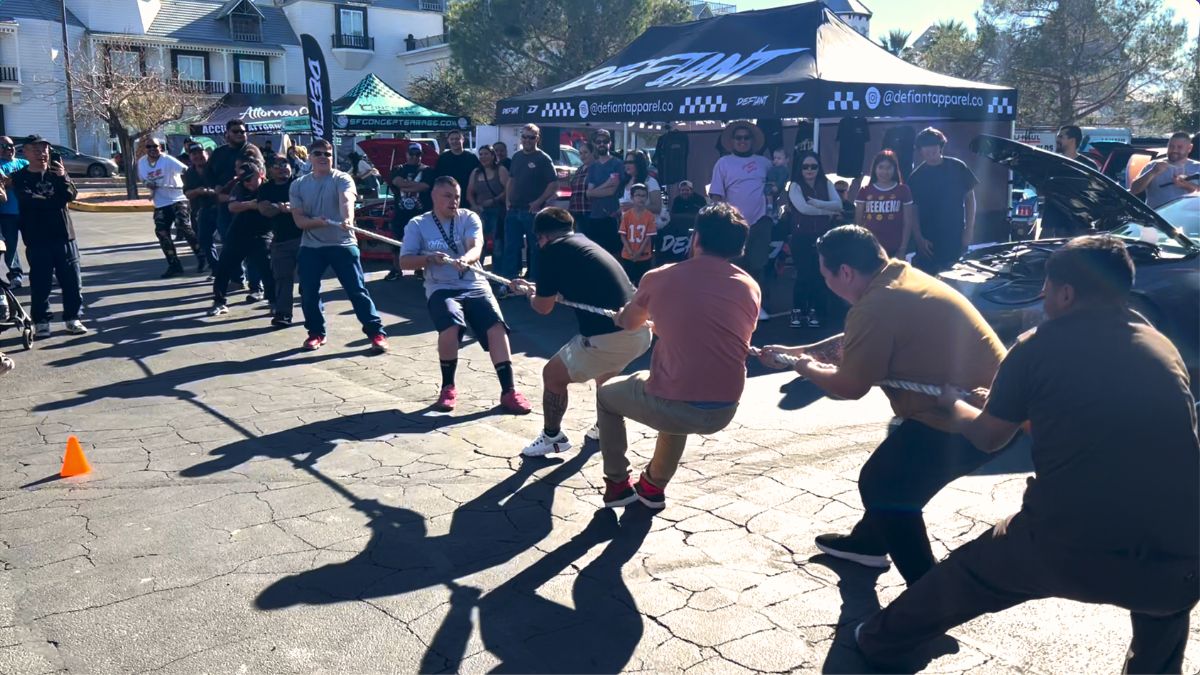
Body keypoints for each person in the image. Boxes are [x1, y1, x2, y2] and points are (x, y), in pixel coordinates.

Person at [855, 236, 1199, 674]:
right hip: (1180, 550)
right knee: (1166, 611)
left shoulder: (1037, 345)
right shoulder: (1161, 347)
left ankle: (876, 638)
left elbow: (988, 437)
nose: (1044, 297)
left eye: (1048, 287)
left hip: (1065, 538)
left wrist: (953, 403)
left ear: (1067, 293)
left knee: (969, 575)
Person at [759, 225, 1005, 586]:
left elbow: (850, 386)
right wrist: (795, 352)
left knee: (882, 483)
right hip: (991, 410)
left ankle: (931, 595)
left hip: (972, 416)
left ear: (845, 272)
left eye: (825, 274)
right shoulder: (898, 279)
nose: (826, 281)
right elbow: (854, 340)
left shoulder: (877, 306)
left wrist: (803, 366)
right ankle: (869, 543)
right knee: (899, 482)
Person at [598, 203, 761, 510]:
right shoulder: (750, 286)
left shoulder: (660, 276)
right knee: (674, 388)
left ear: (696, 238)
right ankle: (652, 487)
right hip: (725, 407)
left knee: (607, 397)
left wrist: (622, 315)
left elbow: (631, 324)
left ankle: (618, 483)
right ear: (739, 245)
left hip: (677, 403)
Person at [508, 207, 651, 455]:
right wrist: (537, 287)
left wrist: (530, 294)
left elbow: (543, 307)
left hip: (611, 337)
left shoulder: (552, 251)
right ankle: (603, 426)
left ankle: (553, 437)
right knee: (605, 378)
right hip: (639, 332)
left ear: (542, 237)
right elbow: (573, 287)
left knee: (552, 375)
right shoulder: (582, 243)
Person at [398, 176, 532, 414]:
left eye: (457, 196)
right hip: (441, 287)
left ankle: (509, 391)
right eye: (447, 196)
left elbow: (476, 246)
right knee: (451, 327)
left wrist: (466, 259)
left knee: (497, 328)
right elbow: (405, 262)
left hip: (474, 285)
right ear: (434, 197)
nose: (454, 201)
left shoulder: (469, 217)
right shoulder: (417, 225)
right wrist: (428, 258)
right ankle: (448, 387)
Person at [289, 138, 389, 353]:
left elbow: (346, 200)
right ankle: (316, 333)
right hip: (311, 247)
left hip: (343, 243)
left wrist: (347, 219)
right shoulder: (298, 184)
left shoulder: (342, 178)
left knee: (357, 291)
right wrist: (319, 221)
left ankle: (376, 333)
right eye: (318, 153)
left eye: (328, 154)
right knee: (308, 292)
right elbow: (299, 221)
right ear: (310, 157)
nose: (324, 157)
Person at [12, 135, 86, 337]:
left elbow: (70, 195)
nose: (41, 153)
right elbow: (30, 202)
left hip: (64, 236)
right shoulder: (20, 178)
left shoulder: (58, 173)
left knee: (71, 281)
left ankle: (73, 318)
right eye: (35, 149)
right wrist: (55, 199)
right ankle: (41, 321)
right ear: (25, 152)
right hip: (37, 238)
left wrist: (62, 177)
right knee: (40, 282)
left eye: (44, 149)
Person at [709, 120, 772, 321]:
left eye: (746, 137)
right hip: (734, 222)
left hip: (761, 220)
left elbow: (776, 187)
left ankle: (756, 305)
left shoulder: (765, 163)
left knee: (758, 264)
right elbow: (716, 195)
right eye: (739, 138)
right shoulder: (723, 163)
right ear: (732, 141)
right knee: (735, 265)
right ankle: (734, 306)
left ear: (752, 140)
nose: (742, 141)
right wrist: (721, 220)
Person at [207, 158, 276, 318]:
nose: (247, 184)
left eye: (249, 179)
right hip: (238, 233)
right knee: (224, 268)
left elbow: (270, 207)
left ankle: (273, 301)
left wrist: (254, 205)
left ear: (260, 174)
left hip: (261, 234)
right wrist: (252, 204)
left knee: (267, 269)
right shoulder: (239, 187)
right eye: (244, 181)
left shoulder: (269, 188)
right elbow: (232, 206)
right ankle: (219, 301)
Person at [907, 127, 977, 274]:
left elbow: (970, 198)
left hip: (955, 236)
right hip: (929, 241)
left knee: (957, 279)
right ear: (920, 151)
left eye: (934, 148)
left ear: (941, 147)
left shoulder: (958, 167)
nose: (931, 153)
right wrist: (919, 238)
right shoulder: (916, 177)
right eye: (926, 149)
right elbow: (913, 210)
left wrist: (969, 231)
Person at [205, 120, 262, 295]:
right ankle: (237, 279)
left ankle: (256, 286)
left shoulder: (252, 151)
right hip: (224, 206)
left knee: (253, 246)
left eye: (243, 131)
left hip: (247, 206)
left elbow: (259, 174)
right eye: (236, 131)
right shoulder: (219, 152)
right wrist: (215, 188)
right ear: (227, 133)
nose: (240, 134)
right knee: (229, 244)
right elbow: (209, 174)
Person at [786, 150, 841, 329]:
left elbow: (839, 204)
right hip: (801, 237)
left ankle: (815, 311)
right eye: (805, 166)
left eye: (814, 166)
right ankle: (797, 310)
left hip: (823, 236)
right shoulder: (794, 186)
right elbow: (803, 209)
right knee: (803, 274)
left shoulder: (827, 183)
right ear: (800, 168)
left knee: (819, 275)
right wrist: (828, 210)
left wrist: (817, 203)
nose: (809, 170)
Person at [501, 124, 557, 282]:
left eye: (531, 137)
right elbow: (511, 180)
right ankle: (509, 282)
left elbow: (554, 184)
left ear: (537, 139)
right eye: (524, 136)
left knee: (535, 247)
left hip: (531, 211)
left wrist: (538, 202)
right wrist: (507, 201)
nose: (527, 140)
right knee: (511, 247)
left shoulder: (543, 158)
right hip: (513, 209)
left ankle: (534, 282)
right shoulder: (517, 156)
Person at [139, 136, 198, 278]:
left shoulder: (167, 160)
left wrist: (191, 186)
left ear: (161, 147)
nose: (152, 149)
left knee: (182, 225)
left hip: (178, 198)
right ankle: (174, 264)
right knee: (161, 232)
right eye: (149, 147)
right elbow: (143, 179)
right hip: (161, 202)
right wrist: (148, 184)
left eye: (155, 146)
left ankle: (201, 256)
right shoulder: (142, 162)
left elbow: (187, 170)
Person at [259, 156, 298, 327]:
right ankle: (283, 314)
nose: (282, 168)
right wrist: (287, 207)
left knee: (309, 280)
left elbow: (306, 206)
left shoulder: (300, 184)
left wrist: (282, 206)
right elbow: (265, 210)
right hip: (281, 240)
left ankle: (314, 315)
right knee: (282, 279)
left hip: (306, 238)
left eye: (285, 164)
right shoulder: (266, 188)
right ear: (270, 170)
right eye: (277, 166)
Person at [386, 144, 432, 281]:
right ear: (406, 154)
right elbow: (396, 181)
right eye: (411, 153)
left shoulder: (428, 170)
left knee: (422, 242)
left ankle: (419, 269)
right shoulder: (398, 168)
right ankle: (396, 269)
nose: (414, 156)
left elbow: (425, 186)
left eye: (417, 154)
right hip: (401, 213)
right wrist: (414, 186)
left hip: (421, 213)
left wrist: (407, 185)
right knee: (396, 240)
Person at [855, 150, 913, 258]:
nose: (884, 172)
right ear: (875, 169)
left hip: (895, 249)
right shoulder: (865, 190)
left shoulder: (903, 190)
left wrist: (902, 249)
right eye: (881, 167)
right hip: (870, 248)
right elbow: (858, 222)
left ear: (895, 169)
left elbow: (908, 221)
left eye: (888, 168)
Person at [583, 129, 625, 258]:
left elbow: (612, 191)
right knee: (595, 254)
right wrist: (607, 183)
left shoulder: (617, 164)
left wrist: (593, 191)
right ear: (595, 144)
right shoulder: (593, 166)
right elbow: (588, 194)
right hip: (595, 216)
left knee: (614, 253)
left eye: (605, 141)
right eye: (598, 141)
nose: (601, 144)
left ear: (610, 143)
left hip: (612, 216)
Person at [1130, 131, 1200, 209]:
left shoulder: (1197, 167)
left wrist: (1187, 186)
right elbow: (1134, 190)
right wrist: (1152, 172)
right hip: (1158, 217)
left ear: (1189, 148)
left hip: (1186, 218)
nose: (1174, 150)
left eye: (1179, 147)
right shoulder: (1153, 165)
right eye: (1171, 146)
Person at [466, 144, 508, 264]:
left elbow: (508, 190)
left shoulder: (501, 170)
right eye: (481, 154)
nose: (483, 157)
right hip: (480, 212)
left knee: (497, 243)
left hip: (498, 211)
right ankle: (478, 271)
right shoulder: (476, 172)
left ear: (493, 155)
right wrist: (474, 205)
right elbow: (469, 192)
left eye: (486, 154)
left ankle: (498, 274)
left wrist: (494, 200)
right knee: (478, 242)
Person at [183, 144, 219, 278]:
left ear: (207, 154)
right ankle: (216, 269)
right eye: (194, 154)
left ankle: (235, 272)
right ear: (190, 157)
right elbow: (187, 192)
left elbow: (225, 187)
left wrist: (210, 191)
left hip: (220, 208)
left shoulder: (215, 168)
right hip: (202, 210)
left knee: (229, 240)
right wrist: (197, 191)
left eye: (200, 153)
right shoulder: (189, 173)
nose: (198, 156)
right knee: (204, 240)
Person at [0, 136, 29, 288]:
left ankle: (46, 271)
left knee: (36, 243)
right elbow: (4, 182)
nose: (9, 149)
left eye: (10, 145)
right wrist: (19, 179)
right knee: (10, 246)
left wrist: (12, 180)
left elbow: (32, 177)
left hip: (28, 211)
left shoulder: (24, 162)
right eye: (3, 146)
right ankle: (15, 275)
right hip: (6, 214)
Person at [659, 180, 706, 264]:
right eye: (682, 190)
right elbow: (673, 215)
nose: (685, 192)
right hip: (680, 230)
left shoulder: (700, 199)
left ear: (691, 190)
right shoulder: (677, 200)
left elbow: (704, 214)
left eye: (687, 190)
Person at [618, 184, 657, 284]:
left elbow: (648, 237)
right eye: (638, 195)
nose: (641, 198)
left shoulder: (650, 216)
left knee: (642, 282)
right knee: (628, 282)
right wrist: (630, 252)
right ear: (632, 197)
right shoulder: (626, 215)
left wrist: (639, 252)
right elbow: (623, 235)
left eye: (644, 196)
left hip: (644, 255)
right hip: (628, 255)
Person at [566, 140, 593, 224]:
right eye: (580, 153)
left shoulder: (597, 168)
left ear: (592, 153)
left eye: (585, 152)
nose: (583, 156)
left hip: (589, 212)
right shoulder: (579, 170)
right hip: (575, 213)